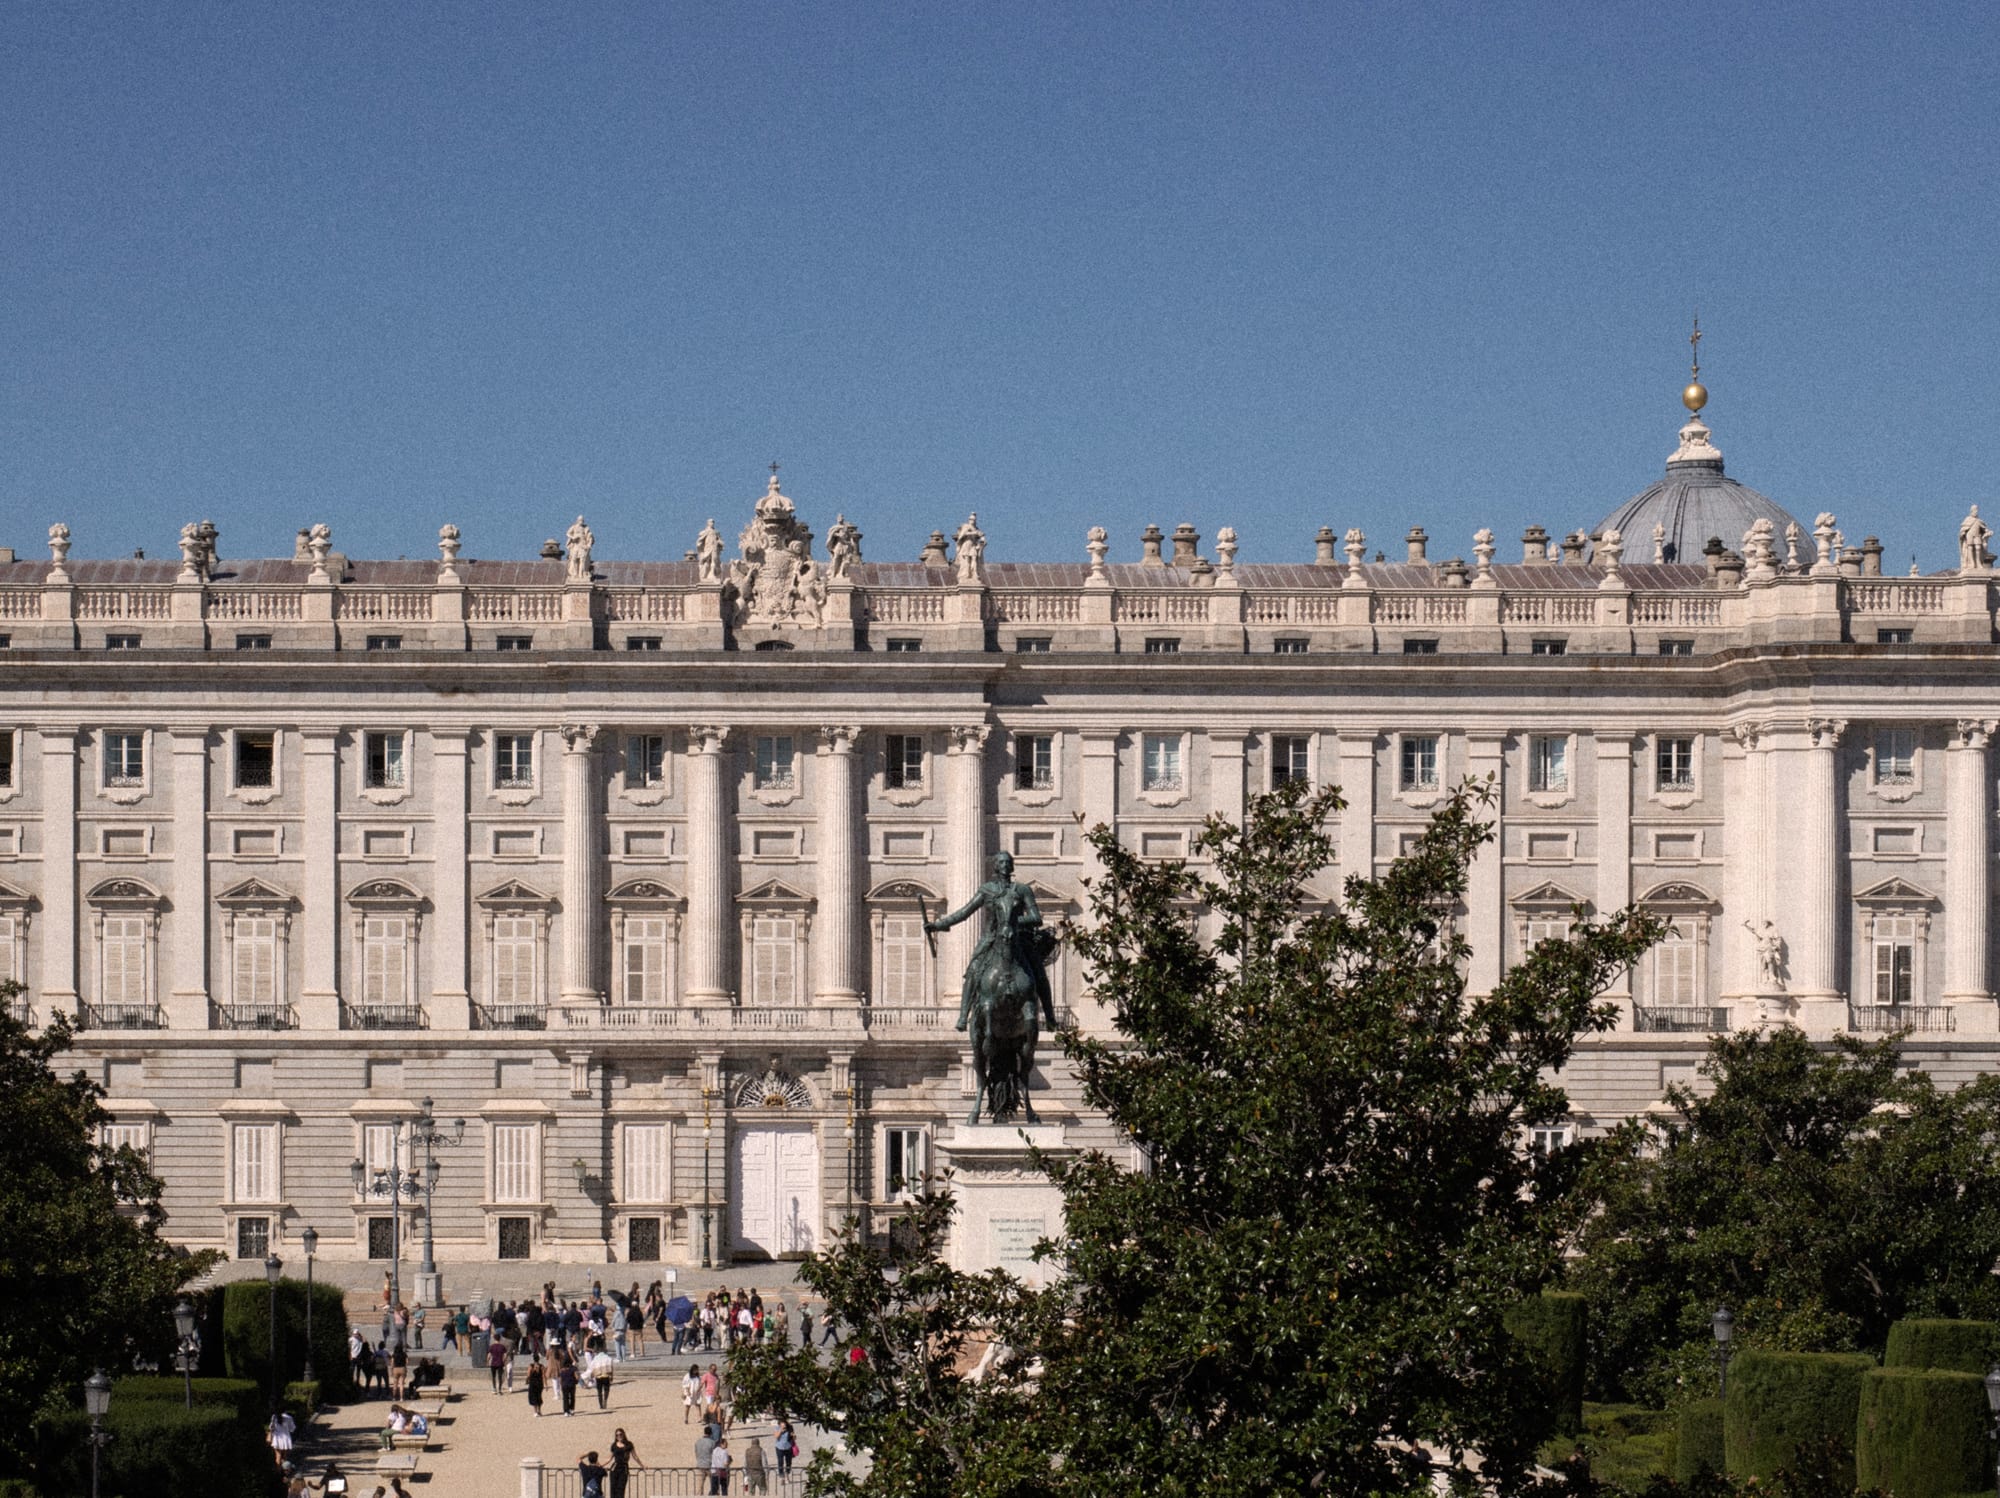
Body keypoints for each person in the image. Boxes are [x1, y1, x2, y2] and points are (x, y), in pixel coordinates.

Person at [608, 1428, 644, 1498]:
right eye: (617, 1435)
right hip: (614, 1468)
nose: (619, 1436)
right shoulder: (614, 1445)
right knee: (613, 1489)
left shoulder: (629, 1444)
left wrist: (642, 1465)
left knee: (621, 1489)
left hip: (624, 1468)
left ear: (623, 1434)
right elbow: (609, 1458)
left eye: (620, 1434)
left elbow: (635, 1456)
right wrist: (600, 1465)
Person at [589, 1345, 615, 1409]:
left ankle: (601, 1405)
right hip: (606, 1375)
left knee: (599, 1391)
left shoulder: (595, 1358)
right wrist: (612, 1376)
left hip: (598, 1376)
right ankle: (605, 1399)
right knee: (606, 1389)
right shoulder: (608, 1358)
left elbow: (592, 1367)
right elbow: (611, 1367)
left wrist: (591, 1376)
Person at [557, 1352, 579, 1416]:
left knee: (565, 1398)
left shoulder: (562, 1370)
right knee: (572, 1397)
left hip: (564, 1385)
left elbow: (560, 1379)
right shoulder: (573, 1368)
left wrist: (561, 1384)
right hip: (572, 1384)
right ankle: (571, 1409)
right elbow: (577, 1377)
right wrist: (576, 1381)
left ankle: (566, 1411)